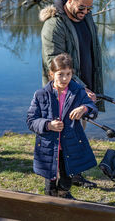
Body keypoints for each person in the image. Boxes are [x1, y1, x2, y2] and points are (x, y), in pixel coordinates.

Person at [39, 0, 104, 188]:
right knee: (62, 134)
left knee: (78, 132)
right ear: (70, 0)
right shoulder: (54, 25)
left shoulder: (86, 17)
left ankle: (74, 174)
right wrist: (80, 87)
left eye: (89, 8)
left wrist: (91, 87)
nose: (85, 11)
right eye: (81, 7)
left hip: (83, 87)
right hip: (63, 90)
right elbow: (54, 63)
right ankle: (58, 180)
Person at [26, 53, 98, 199]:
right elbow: (31, 120)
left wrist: (84, 108)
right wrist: (48, 125)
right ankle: (52, 198)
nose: (65, 79)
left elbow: (93, 109)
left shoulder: (77, 92)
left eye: (68, 74)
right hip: (49, 145)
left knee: (67, 176)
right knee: (50, 179)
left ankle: (63, 193)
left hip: (70, 143)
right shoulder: (41, 94)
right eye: (60, 74)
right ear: (51, 74)